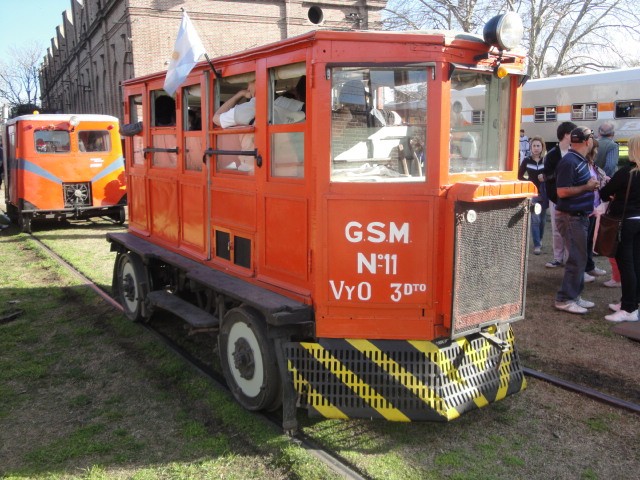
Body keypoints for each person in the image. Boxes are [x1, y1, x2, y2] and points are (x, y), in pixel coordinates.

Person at [553, 126, 600, 314]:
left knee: (579, 258)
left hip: (578, 216)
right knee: (577, 258)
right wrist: (587, 187)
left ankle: (574, 296)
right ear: (587, 142)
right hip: (571, 217)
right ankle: (565, 299)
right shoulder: (570, 161)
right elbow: (562, 191)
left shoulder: (577, 159)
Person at [599, 134, 640, 322]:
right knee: (636, 264)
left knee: (627, 266)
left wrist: (616, 197)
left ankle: (628, 308)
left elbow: (605, 192)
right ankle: (632, 303)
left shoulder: (627, 173)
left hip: (627, 223)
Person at [540, 121, 576, 269]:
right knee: (556, 229)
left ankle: (569, 258)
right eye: (573, 133)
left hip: (572, 198)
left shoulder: (575, 151)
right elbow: (547, 175)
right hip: (556, 198)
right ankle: (558, 257)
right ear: (566, 135)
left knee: (571, 229)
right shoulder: (552, 154)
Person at [518, 135, 548, 255]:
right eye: (534, 146)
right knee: (535, 219)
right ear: (530, 147)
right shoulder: (526, 160)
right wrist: (528, 183)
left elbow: (553, 175)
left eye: (538, 146)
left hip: (544, 193)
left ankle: (540, 239)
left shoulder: (546, 160)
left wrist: (545, 178)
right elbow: (519, 176)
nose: (536, 148)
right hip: (533, 194)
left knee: (543, 220)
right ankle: (537, 245)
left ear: (542, 147)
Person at [583, 138, 608, 279]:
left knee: (590, 240)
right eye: (595, 148)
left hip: (594, 208)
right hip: (587, 208)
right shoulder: (584, 165)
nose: (597, 151)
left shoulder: (592, 165)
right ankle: (583, 271)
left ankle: (589, 266)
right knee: (584, 241)